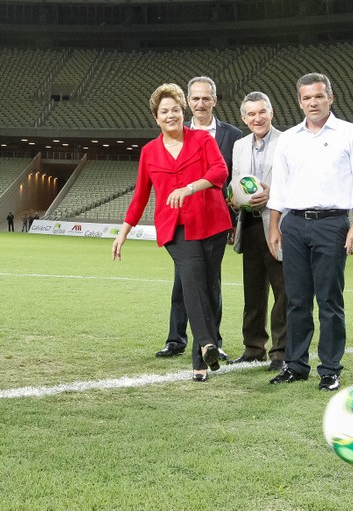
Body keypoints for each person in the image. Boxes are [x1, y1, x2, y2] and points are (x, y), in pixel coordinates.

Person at [112, 83, 233, 382]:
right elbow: (140, 195)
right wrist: (123, 232)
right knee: (192, 279)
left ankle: (201, 361)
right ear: (156, 117)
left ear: (184, 112)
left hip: (213, 224)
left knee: (208, 285)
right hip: (176, 230)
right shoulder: (149, 152)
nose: (171, 116)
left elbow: (220, 172)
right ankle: (206, 342)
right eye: (164, 112)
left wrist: (190, 188)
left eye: (176, 110)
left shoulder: (203, 140)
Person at [267, 73, 353, 392]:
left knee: (329, 299)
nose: (312, 102)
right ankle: (296, 365)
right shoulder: (288, 138)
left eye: (318, 96)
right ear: (299, 102)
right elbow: (281, 187)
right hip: (294, 224)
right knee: (296, 300)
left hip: (332, 224)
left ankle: (329, 368)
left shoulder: (351, 134)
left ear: (330, 97)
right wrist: (274, 225)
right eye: (306, 98)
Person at [155, 76, 242, 360]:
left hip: (215, 221)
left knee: (210, 282)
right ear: (187, 102)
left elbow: (233, 178)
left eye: (206, 98)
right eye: (195, 98)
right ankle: (176, 339)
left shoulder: (232, 135)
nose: (200, 103)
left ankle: (212, 342)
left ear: (215, 100)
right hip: (183, 222)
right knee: (183, 281)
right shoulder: (176, 130)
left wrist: (232, 218)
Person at [227, 91, 287, 372]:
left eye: (262, 112)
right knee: (253, 293)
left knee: (283, 292)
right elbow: (237, 182)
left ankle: (281, 352)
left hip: (278, 225)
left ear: (271, 113)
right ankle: (253, 349)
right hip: (249, 225)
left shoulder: (287, 141)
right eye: (251, 114)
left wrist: (272, 195)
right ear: (244, 118)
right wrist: (235, 199)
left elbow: (297, 182)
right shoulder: (239, 146)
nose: (257, 118)